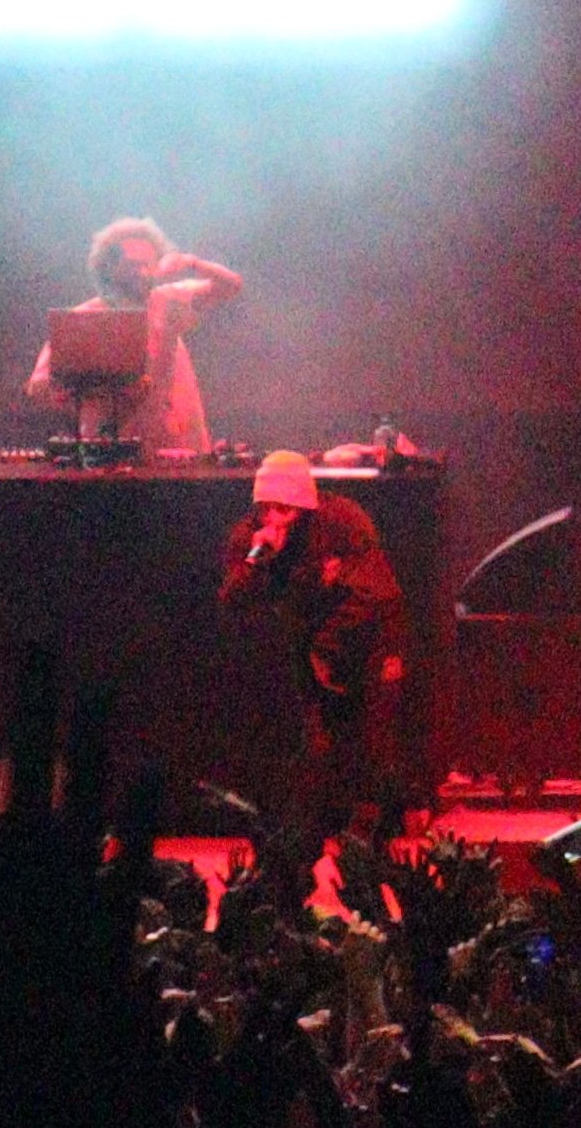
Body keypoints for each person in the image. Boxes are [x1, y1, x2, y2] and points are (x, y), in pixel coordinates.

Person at [220, 448, 404, 902]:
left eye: (283, 508)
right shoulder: (251, 539)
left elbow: (374, 594)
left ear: (303, 506)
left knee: (371, 747)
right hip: (310, 654)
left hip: (363, 645)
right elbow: (232, 599)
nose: (274, 516)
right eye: (266, 507)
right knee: (314, 753)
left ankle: (367, 856)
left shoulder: (342, 523)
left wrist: (334, 646)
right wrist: (258, 561)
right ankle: (295, 867)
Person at [22, 216, 241, 459]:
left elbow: (230, 285)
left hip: (183, 449)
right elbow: (39, 387)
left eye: (149, 264)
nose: (143, 272)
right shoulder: (84, 318)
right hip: (115, 456)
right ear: (108, 267)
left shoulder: (170, 299)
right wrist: (96, 390)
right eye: (133, 264)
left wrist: (190, 262)